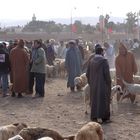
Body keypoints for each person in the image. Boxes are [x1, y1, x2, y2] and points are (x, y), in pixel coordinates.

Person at [86, 44, 111, 123]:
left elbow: (87, 74)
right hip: (103, 85)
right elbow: (107, 75)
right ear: (101, 52)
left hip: (93, 85)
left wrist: (91, 83)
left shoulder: (91, 61)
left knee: (94, 101)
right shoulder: (104, 61)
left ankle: (94, 117)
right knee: (104, 100)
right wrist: (109, 84)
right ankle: (104, 118)